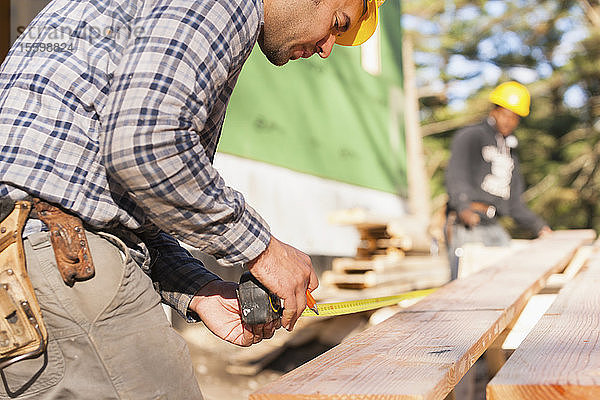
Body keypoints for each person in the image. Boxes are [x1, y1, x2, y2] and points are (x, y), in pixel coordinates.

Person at [0, 0, 385, 398]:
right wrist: (264, 250)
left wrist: (199, 290)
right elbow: (147, 146)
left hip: (25, 261)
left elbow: (119, 197)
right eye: (338, 24)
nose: (327, 48)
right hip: (65, 266)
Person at [445, 81, 552, 280]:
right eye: (505, 114)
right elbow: (456, 176)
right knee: (467, 282)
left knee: (506, 277)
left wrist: (539, 226)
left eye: (514, 117)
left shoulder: (511, 154)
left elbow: (514, 204)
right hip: (468, 222)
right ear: (494, 110)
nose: (508, 121)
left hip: (493, 223)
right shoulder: (471, 136)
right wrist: (463, 206)